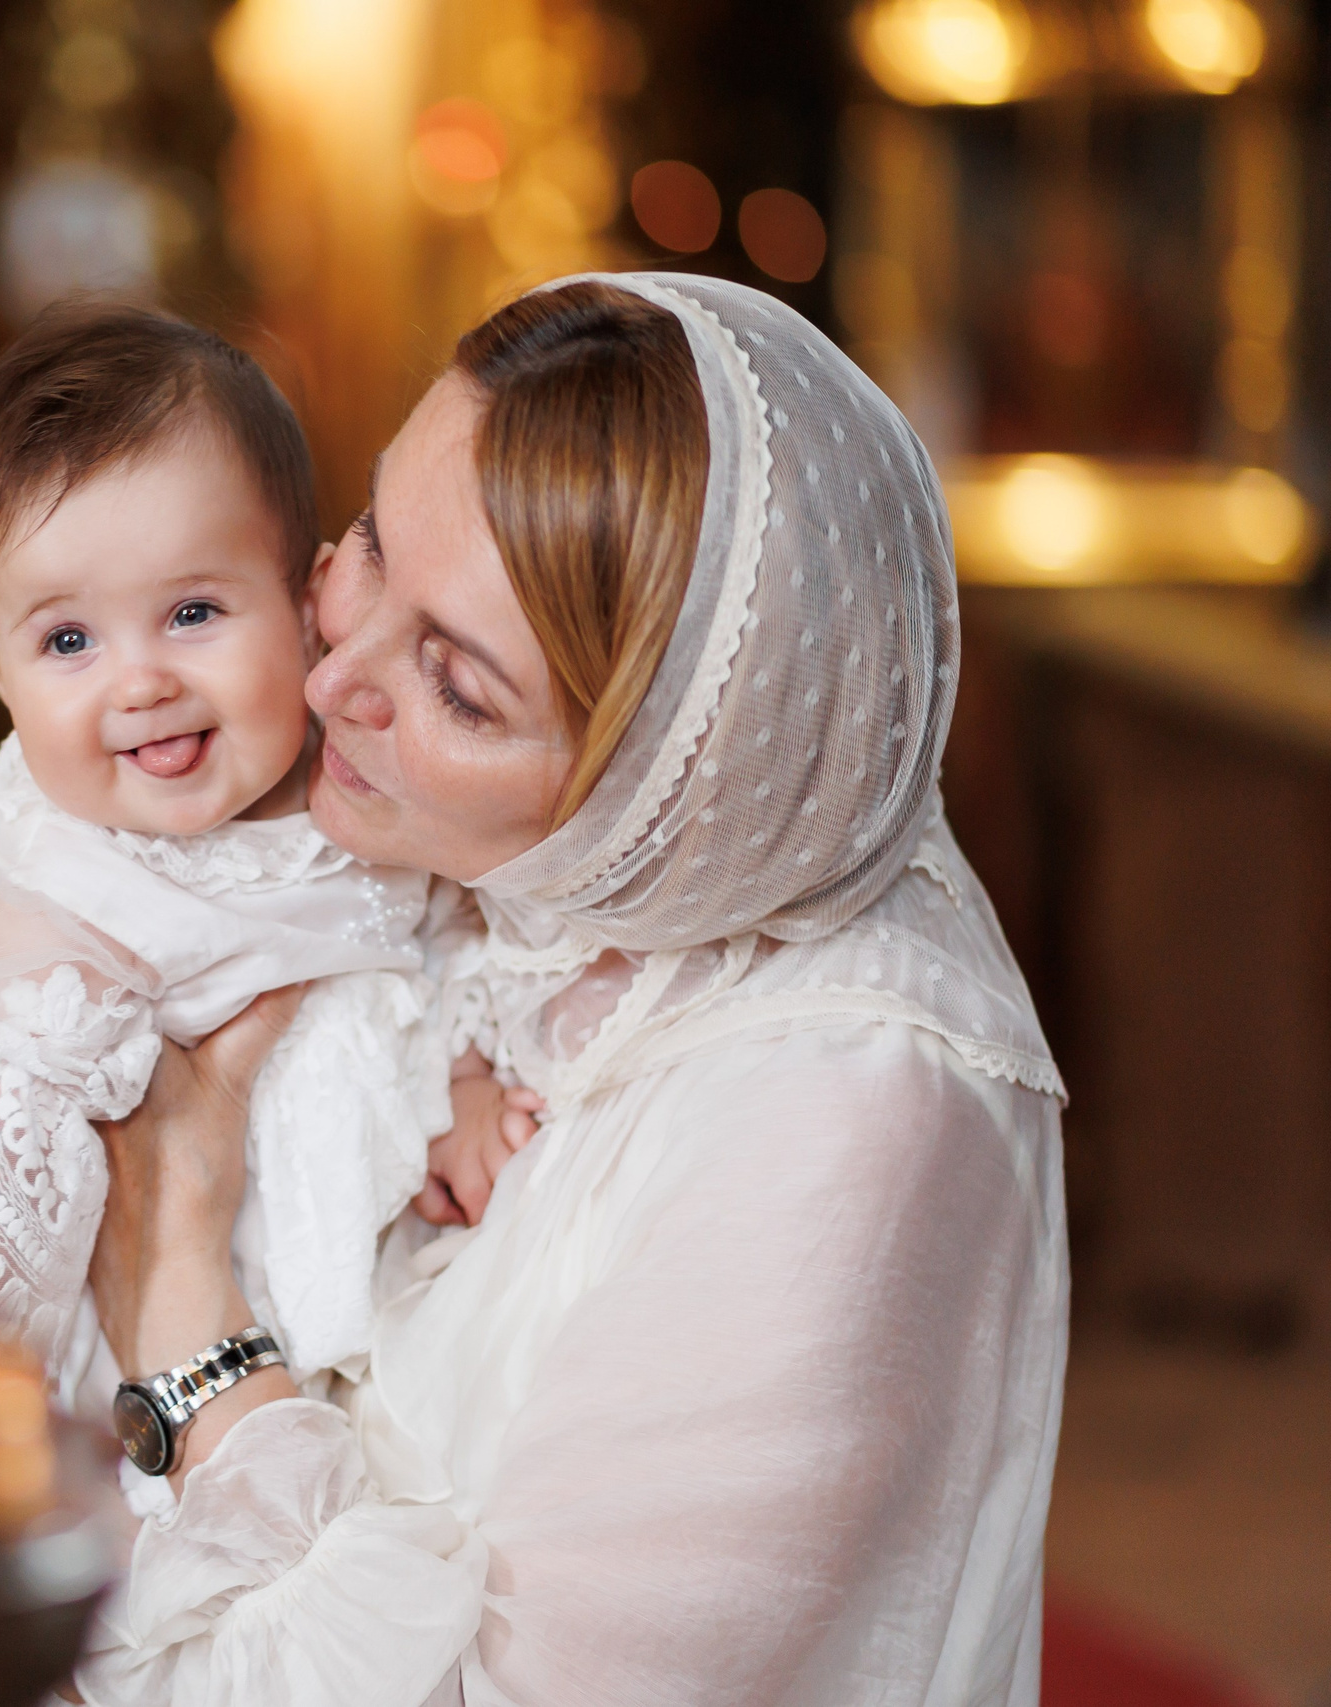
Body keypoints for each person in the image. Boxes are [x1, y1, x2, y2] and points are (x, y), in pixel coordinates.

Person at [76, 274, 1068, 1706]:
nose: (331, 666)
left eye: (460, 686)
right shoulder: (468, 874)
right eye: (365, 540)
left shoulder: (850, 1113)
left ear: (675, 778)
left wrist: (176, 1297)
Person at [0, 305, 536, 1442]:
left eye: (192, 612)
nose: (139, 682)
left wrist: (458, 1092)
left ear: (307, 602)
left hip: (329, 1363)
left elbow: (436, 947)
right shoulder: (59, 890)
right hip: (103, 1383)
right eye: (68, 642)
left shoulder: (363, 793)